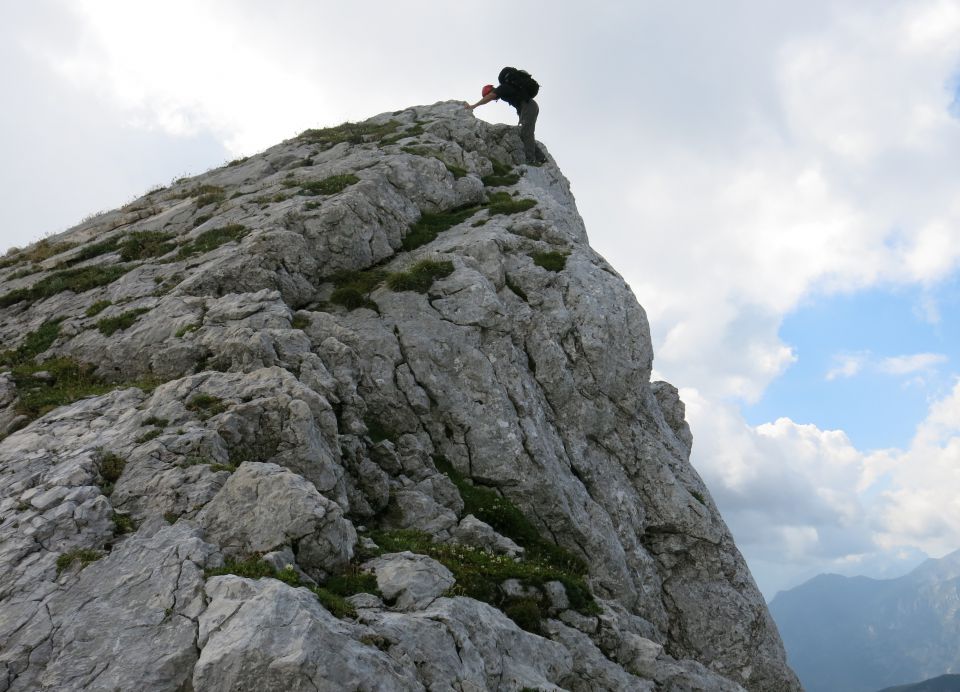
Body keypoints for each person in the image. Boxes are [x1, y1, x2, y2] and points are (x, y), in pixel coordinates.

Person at [466, 69, 545, 165]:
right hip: (527, 107)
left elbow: (489, 97)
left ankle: (531, 159)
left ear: (490, 91)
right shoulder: (506, 89)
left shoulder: (502, 89)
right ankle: (541, 158)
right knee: (525, 132)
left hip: (528, 106)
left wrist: (473, 106)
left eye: (491, 96)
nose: (494, 99)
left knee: (526, 132)